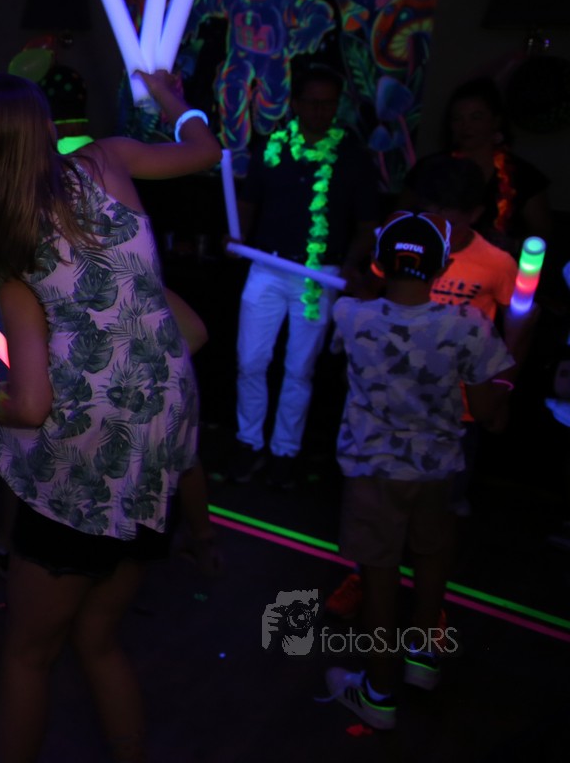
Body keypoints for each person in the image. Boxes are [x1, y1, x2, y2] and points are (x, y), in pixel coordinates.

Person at [0, 70, 219, 763]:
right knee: (98, 639)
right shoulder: (108, 161)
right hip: (161, 443)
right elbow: (206, 151)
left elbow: (31, 404)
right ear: (46, 128)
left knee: (29, 654)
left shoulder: (9, 248)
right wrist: (173, 102)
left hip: (88, 464)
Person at [323, 211, 512, 730]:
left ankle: (379, 694)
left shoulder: (350, 315)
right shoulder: (468, 326)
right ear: (444, 267)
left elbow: (351, 331)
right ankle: (421, 660)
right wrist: (506, 385)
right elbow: (487, 409)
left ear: (379, 263)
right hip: (437, 469)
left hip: (373, 471)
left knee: (379, 576)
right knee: (431, 559)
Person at [230, 64, 379, 487]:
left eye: (328, 103)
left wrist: (349, 266)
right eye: (312, 102)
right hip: (266, 265)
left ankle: (285, 451)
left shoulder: (352, 157)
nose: (319, 111)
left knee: (300, 369)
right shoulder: (272, 147)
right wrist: (237, 236)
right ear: (295, 103)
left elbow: (368, 223)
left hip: (319, 275)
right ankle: (248, 443)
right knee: (250, 360)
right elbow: (248, 200)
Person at [443, 76, 552, 254]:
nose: (465, 126)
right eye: (457, 118)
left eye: (476, 117)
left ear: (496, 121)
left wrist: (513, 247)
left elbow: (542, 233)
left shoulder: (526, 176)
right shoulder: (431, 168)